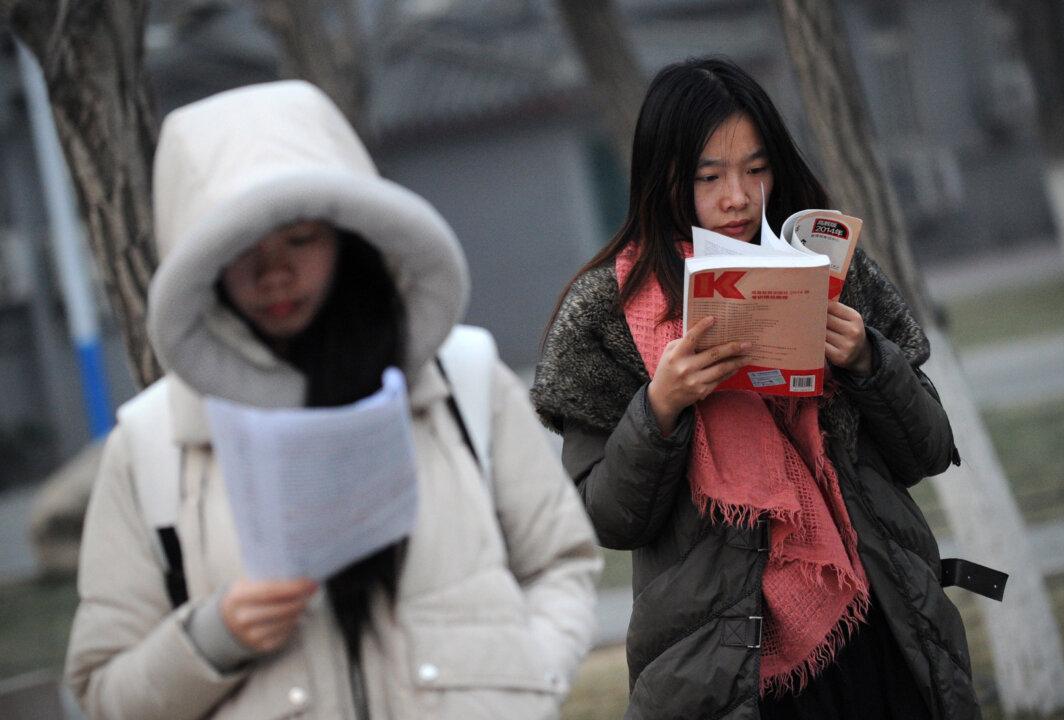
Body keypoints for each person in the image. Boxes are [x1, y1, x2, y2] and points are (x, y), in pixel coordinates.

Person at [65, 80, 600, 720]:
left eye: (299, 239)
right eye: (243, 249)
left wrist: (526, 683)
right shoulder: (152, 444)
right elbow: (101, 691)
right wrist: (214, 637)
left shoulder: (464, 378)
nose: (275, 275)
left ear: (346, 238)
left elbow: (561, 563)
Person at [531, 56, 980, 719]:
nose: (737, 196)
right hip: (727, 671)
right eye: (708, 176)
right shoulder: (609, 314)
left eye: (756, 168)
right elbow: (608, 516)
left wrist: (866, 358)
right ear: (663, 181)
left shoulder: (830, 270)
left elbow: (928, 450)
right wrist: (660, 407)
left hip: (881, 627)